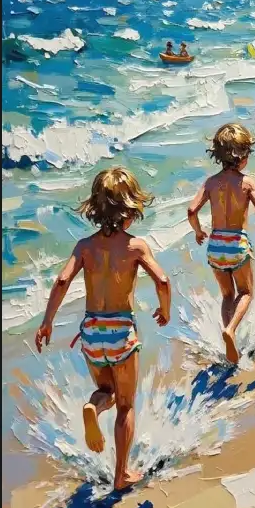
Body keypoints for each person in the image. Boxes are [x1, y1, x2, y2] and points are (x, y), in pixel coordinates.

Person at [34, 168, 170, 490]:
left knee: (106, 391)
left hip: (92, 332)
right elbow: (163, 280)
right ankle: (121, 474)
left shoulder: (84, 246)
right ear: (131, 209)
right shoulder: (136, 247)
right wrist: (164, 309)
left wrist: (47, 322)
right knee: (125, 404)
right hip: (121, 331)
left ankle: (92, 407)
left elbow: (62, 280)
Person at [187, 123, 255, 364]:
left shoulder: (210, 183)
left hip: (216, 244)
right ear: (244, 155)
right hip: (236, 243)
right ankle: (230, 330)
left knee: (227, 295)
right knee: (246, 292)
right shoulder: (247, 183)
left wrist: (198, 231)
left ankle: (229, 340)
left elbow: (191, 210)